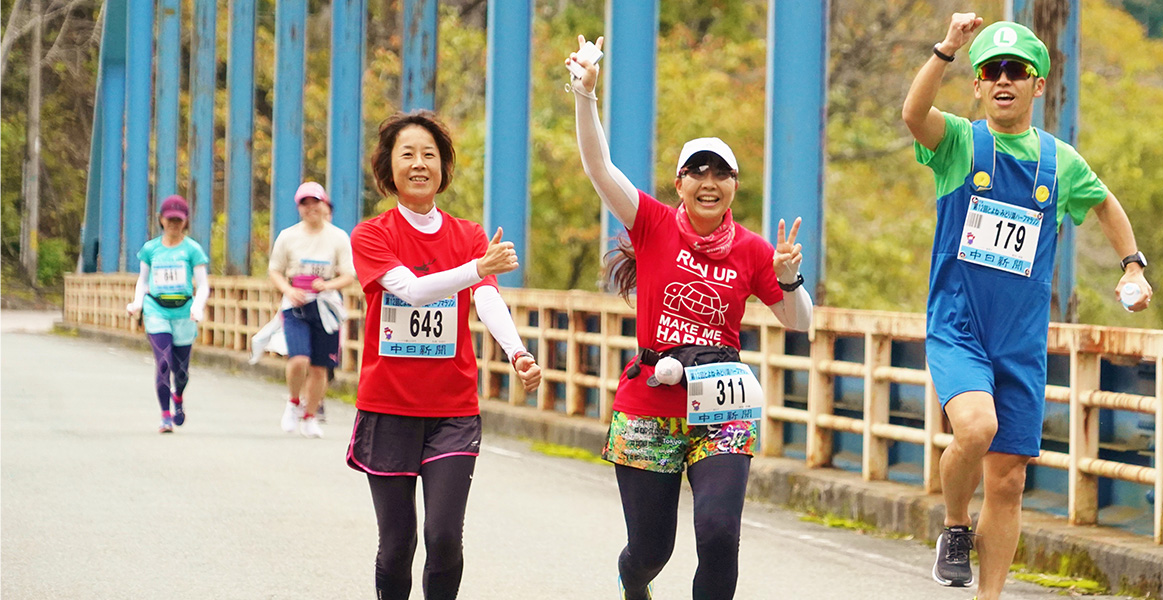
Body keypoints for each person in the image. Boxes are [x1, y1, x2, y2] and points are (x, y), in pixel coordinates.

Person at [901, 15, 1152, 598]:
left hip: (1021, 340)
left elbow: (1108, 207)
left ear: (1039, 86)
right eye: (993, 72)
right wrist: (947, 49)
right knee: (976, 428)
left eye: (1019, 71)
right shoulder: (962, 143)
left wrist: (1132, 266)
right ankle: (955, 526)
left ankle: (989, 595)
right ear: (979, 85)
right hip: (959, 327)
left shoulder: (1059, 162)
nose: (1005, 80)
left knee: (1009, 479)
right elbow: (914, 116)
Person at [568, 35, 814, 600]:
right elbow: (599, 166)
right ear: (679, 183)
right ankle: (635, 582)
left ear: (733, 186)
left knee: (720, 531)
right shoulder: (651, 223)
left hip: (721, 401)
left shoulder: (754, 250)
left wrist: (788, 276)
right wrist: (585, 95)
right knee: (651, 550)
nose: (709, 182)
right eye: (696, 172)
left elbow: (800, 323)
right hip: (651, 399)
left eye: (721, 173)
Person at [347, 110, 543, 599]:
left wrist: (517, 351)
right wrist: (475, 268)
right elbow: (411, 291)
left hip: (452, 409)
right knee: (397, 545)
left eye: (429, 155)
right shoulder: (372, 235)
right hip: (388, 405)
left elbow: (485, 296)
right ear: (387, 167)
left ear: (444, 167)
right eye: (407, 154)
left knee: (443, 538)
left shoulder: (469, 234)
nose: (419, 164)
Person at [268, 181, 355, 438]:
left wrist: (327, 285)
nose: (310, 208)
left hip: (325, 306)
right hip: (296, 305)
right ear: (299, 208)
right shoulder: (288, 236)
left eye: (314, 202)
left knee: (319, 367)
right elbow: (275, 270)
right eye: (304, 204)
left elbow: (349, 275)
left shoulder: (338, 237)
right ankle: (294, 402)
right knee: (298, 359)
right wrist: (288, 289)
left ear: (323, 204)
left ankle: (310, 416)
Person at [126, 195, 211, 434]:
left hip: (184, 311)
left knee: (181, 371)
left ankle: (178, 396)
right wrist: (137, 303)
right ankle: (165, 415)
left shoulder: (192, 249)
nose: (173, 224)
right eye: (169, 219)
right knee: (163, 362)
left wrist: (198, 306)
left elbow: (203, 285)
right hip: (157, 310)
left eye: (178, 220)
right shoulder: (150, 249)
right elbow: (142, 281)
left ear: (185, 222)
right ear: (160, 220)